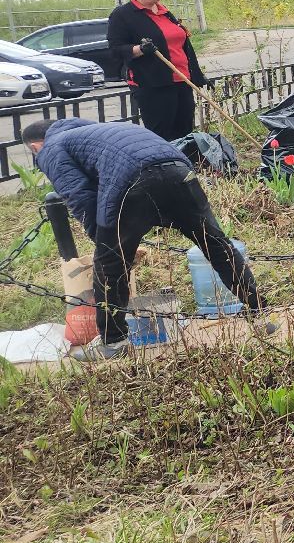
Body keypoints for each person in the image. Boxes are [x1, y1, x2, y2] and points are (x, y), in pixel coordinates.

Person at [25, 118, 264, 361]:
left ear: (36, 146)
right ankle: (260, 311)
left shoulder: (52, 147)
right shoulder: (94, 130)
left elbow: (79, 196)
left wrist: (105, 243)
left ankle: (114, 342)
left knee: (109, 264)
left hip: (132, 180)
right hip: (179, 170)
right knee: (215, 243)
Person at [105, 0, 209, 142]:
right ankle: (166, 167)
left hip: (182, 80)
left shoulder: (164, 12)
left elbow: (184, 45)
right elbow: (115, 49)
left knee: (186, 131)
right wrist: (140, 49)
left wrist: (197, 75)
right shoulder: (123, 15)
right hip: (154, 85)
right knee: (163, 134)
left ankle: (186, 166)